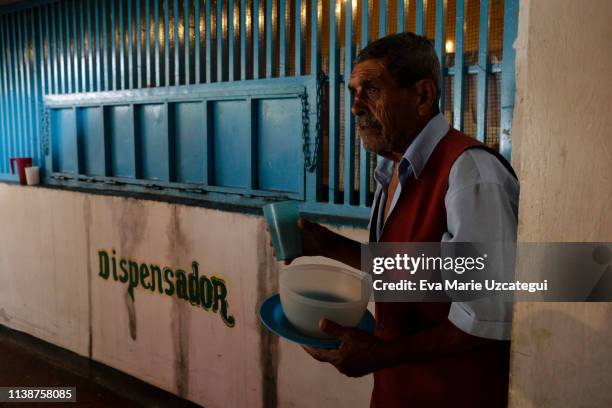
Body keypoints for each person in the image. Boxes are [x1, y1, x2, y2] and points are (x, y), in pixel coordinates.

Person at [270, 32, 519, 407]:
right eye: (352, 91)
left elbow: (485, 318)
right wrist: (329, 245)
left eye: (370, 90)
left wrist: (381, 354)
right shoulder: (392, 171)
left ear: (422, 95)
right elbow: (414, 272)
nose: (355, 107)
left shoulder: (470, 174)